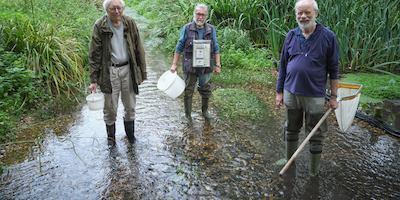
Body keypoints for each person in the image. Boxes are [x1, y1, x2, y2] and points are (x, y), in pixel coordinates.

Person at [275, 0, 339, 176]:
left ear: (316, 13)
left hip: (315, 96)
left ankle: (313, 172)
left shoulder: (328, 37)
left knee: (316, 134)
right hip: (291, 92)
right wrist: (279, 92)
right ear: (296, 15)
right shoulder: (291, 35)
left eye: (307, 12)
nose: (303, 16)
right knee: (291, 128)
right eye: (299, 13)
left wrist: (333, 96)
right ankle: (290, 162)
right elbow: (283, 65)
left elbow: (334, 69)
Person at [88, 0, 146, 145]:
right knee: (110, 108)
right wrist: (93, 80)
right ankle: (111, 140)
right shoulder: (100, 26)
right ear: (107, 10)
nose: (117, 11)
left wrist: (142, 72)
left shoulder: (130, 23)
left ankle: (131, 138)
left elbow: (139, 47)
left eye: (119, 8)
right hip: (109, 72)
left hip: (128, 69)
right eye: (113, 8)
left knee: (130, 106)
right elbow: (94, 53)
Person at [170, 3, 221, 122]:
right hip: (190, 65)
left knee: (206, 88)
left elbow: (216, 47)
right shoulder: (187, 28)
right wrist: (174, 64)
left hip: (206, 66)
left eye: (203, 15)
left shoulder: (211, 29)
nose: (200, 17)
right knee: (188, 90)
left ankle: (205, 111)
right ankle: (188, 115)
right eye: (198, 14)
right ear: (194, 14)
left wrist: (217, 64)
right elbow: (179, 46)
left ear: (206, 16)